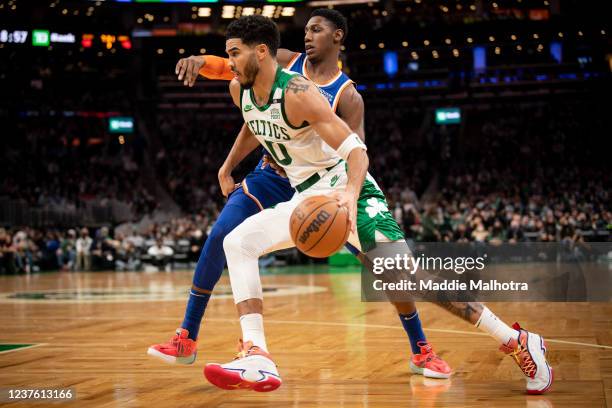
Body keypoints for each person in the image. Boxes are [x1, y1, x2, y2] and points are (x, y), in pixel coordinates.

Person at [202, 15, 552, 395]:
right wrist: (227, 167)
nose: (230, 64)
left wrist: (350, 196)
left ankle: (517, 340)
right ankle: (258, 355)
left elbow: (356, 151)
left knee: (410, 279)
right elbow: (258, 122)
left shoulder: (300, 92)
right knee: (237, 243)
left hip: (349, 193)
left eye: (234, 54)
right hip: (306, 198)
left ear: (263, 52)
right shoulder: (241, 91)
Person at [148, 9, 450, 379]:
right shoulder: (286, 60)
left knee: (386, 270)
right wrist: (200, 64)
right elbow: (245, 102)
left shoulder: (346, 94)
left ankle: (421, 348)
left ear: (337, 37)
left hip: (321, 185)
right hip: (273, 174)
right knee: (223, 236)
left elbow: (354, 150)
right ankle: (187, 337)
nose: (307, 36)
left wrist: (349, 196)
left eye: (316, 30)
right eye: (306, 30)